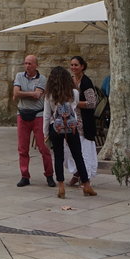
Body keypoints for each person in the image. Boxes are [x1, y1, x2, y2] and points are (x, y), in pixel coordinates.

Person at [42, 65, 95, 199]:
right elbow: (75, 108)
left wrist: (45, 133)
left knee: (58, 157)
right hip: (72, 128)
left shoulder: (49, 95)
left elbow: (46, 116)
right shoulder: (74, 93)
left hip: (56, 127)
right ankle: (86, 185)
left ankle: (61, 187)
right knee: (78, 156)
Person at [12, 54, 53, 188]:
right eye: (25, 63)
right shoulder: (19, 76)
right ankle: (24, 175)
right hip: (22, 114)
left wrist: (22, 93)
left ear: (36, 65)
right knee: (22, 148)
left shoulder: (42, 79)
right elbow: (16, 93)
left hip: (38, 115)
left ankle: (49, 175)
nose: (27, 66)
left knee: (43, 147)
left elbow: (37, 95)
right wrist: (30, 93)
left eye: (30, 64)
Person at [66, 55, 99, 186]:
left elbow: (92, 103)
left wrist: (75, 103)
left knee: (84, 150)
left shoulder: (86, 82)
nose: (73, 67)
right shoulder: (70, 80)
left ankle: (86, 177)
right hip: (72, 119)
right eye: (72, 65)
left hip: (84, 122)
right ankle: (77, 173)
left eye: (76, 65)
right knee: (72, 149)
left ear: (82, 66)